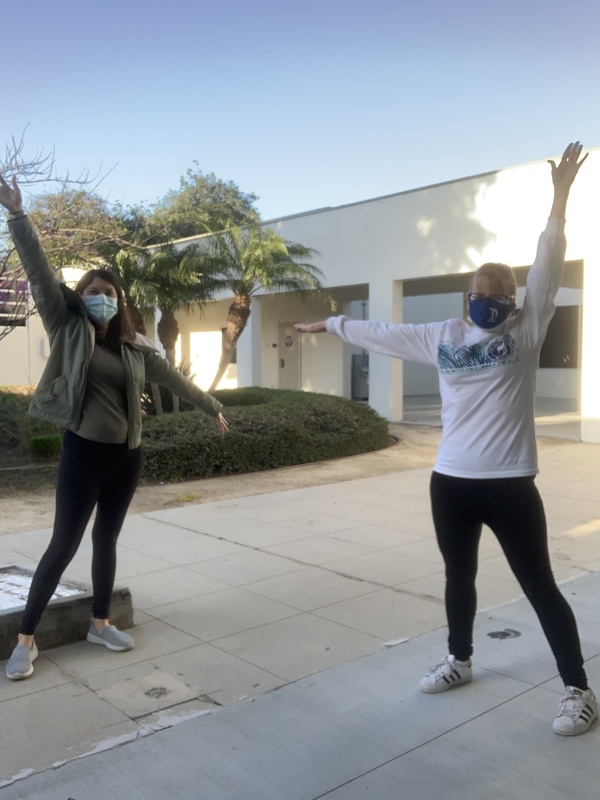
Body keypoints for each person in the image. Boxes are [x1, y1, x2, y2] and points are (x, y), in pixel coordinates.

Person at [295, 142, 597, 736]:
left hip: (510, 482)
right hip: (451, 481)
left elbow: (549, 258)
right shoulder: (442, 334)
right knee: (458, 578)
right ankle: (460, 659)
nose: (484, 302)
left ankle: (578, 690)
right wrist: (330, 323)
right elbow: (381, 331)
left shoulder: (528, 326)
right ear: (467, 296)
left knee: (538, 584)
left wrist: (559, 197)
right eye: (476, 293)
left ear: (514, 300)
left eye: (496, 295)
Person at [0, 175, 229, 681]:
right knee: (63, 545)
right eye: (94, 291)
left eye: (109, 293)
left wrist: (211, 405)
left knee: (107, 540)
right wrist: (18, 216)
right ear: (81, 297)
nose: (102, 297)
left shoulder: (134, 347)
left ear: (119, 301)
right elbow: (39, 273)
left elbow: (174, 378)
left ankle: (99, 624)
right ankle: (26, 640)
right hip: (83, 454)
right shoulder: (67, 327)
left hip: (127, 456)